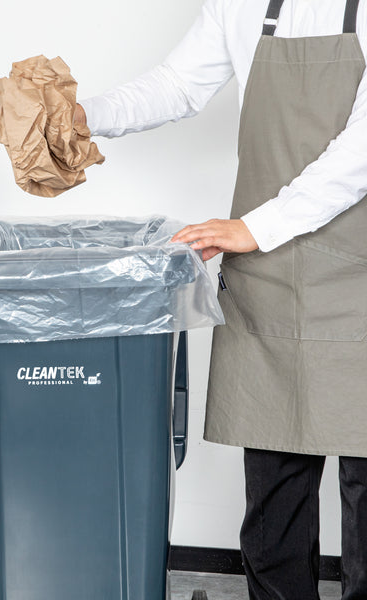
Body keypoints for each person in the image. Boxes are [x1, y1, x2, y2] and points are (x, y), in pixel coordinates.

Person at [75, 0, 367, 598]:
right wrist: (83, 115)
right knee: (275, 478)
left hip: (350, 270)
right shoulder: (241, 4)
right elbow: (177, 85)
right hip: (271, 275)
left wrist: (257, 226)